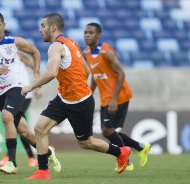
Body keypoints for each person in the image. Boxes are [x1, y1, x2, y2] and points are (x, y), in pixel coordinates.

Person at [21, 13, 131, 180]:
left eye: (42, 26)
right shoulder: (71, 43)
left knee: (86, 142)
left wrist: (31, 86)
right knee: (40, 128)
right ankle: (43, 171)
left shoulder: (56, 46)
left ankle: (121, 152)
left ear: (53, 27)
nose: (40, 30)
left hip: (79, 102)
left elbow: (51, 72)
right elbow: (86, 70)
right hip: (65, 98)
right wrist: (73, 85)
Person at [0, 10, 59, 174]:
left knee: (6, 116)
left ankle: (12, 163)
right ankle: (48, 152)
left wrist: (37, 73)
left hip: (16, 86)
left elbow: (35, 52)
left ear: (4, 25)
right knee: (25, 132)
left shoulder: (15, 42)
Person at [82, 22, 151, 171]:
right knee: (111, 132)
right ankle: (141, 147)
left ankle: (126, 161)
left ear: (98, 35)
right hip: (106, 98)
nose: (87, 35)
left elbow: (121, 74)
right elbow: (95, 75)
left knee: (108, 131)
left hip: (118, 96)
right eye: (85, 32)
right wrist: (89, 93)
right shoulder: (86, 53)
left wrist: (114, 100)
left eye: (91, 32)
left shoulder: (106, 52)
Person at [0, 50, 42, 168]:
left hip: (25, 93)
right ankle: (37, 154)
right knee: (18, 125)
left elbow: (33, 66)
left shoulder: (17, 54)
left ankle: (22, 157)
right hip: (13, 94)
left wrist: (37, 86)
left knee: (16, 123)